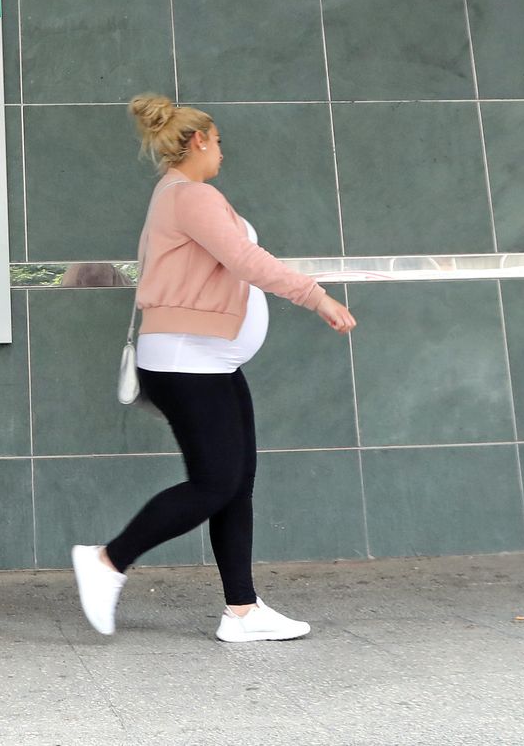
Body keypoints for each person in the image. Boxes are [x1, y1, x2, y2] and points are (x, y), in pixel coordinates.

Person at [71, 94, 356, 643]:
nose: (222, 151)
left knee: (236, 483)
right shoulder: (191, 196)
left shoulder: (178, 195)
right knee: (215, 482)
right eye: (218, 141)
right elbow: (245, 261)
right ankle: (107, 561)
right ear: (198, 140)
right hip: (187, 361)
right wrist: (316, 297)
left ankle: (242, 611)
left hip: (208, 361)